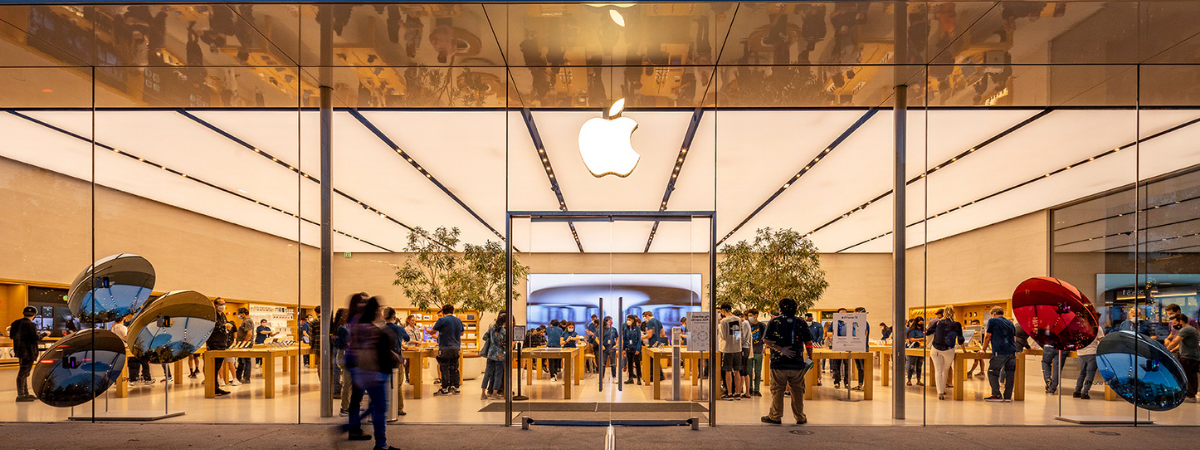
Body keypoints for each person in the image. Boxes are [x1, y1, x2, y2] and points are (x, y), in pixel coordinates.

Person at [341, 296, 400, 450]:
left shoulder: (356, 326)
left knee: (367, 402)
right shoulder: (374, 330)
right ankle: (381, 444)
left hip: (360, 370)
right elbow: (382, 351)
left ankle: (353, 426)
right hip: (374, 373)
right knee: (379, 407)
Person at [760, 298, 812, 425]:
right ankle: (800, 417)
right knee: (798, 391)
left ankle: (775, 416)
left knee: (777, 390)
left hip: (779, 363)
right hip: (797, 363)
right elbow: (809, 343)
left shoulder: (774, 321)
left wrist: (781, 349)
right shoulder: (801, 322)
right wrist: (809, 358)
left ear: (780, 309)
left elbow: (766, 340)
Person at [980, 307, 1017, 402]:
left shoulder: (993, 321)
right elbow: (1014, 338)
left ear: (994, 313)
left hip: (1000, 351)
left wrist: (983, 349)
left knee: (992, 372)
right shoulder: (1010, 323)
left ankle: (996, 395)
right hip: (1012, 351)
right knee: (1010, 373)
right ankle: (1008, 396)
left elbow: (988, 336)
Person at [926, 305, 963, 400]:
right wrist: (965, 350)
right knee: (945, 370)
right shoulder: (957, 324)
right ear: (953, 313)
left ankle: (940, 392)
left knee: (938, 370)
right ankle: (943, 389)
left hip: (936, 349)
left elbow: (927, 332)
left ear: (944, 313)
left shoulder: (938, 322)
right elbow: (960, 340)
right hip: (949, 350)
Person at [10, 306, 46, 402]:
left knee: (24, 372)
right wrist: (43, 334)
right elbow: (35, 338)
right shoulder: (31, 325)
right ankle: (21, 395)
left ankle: (25, 393)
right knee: (23, 373)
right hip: (29, 352)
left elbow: (11, 336)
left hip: (19, 351)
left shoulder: (15, 323)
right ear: (35, 314)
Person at [431, 304, 464, 395]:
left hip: (445, 347)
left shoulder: (441, 320)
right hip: (456, 347)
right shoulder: (458, 320)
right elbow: (462, 333)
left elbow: (433, 331)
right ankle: (456, 387)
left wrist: (427, 330)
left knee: (444, 367)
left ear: (443, 311)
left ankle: (444, 388)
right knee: (454, 367)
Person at [1166, 314, 1200, 403]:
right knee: (1191, 376)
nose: (1174, 325)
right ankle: (1192, 396)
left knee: (1180, 375)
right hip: (1194, 357)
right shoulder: (1193, 329)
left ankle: (1188, 394)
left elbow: (1175, 341)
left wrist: (1165, 350)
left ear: (1181, 321)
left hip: (1187, 357)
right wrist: (1172, 350)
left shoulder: (1185, 330)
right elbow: (1181, 344)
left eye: (1175, 323)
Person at [381, 307, 408, 415]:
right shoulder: (399, 328)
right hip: (396, 359)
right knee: (398, 385)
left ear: (383, 317)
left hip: (382, 360)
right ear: (394, 317)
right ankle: (399, 409)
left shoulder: (380, 329)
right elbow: (407, 338)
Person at [206, 298, 234, 396]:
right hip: (214, 343)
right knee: (213, 367)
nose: (222, 305)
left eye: (224, 304)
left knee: (218, 367)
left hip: (222, 343)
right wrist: (224, 326)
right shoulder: (212, 315)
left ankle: (216, 387)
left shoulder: (223, 315)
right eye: (220, 304)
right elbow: (212, 327)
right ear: (215, 305)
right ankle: (212, 388)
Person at [717, 303, 744, 400]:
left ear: (723, 310)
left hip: (727, 349)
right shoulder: (738, 319)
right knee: (737, 371)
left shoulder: (724, 321)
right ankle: (737, 393)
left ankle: (729, 393)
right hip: (737, 348)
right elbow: (740, 334)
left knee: (728, 371)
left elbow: (723, 336)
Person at [480, 312, 507, 400]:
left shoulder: (491, 328)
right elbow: (506, 342)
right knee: (498, 374)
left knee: (487, 373)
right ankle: (494, 393)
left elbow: (484, 337)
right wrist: (500, 343)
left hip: (490, 353)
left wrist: (492, 341)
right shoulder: (504, 330)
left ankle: (483, 393)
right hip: (500, 354)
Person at [1073, 326, 1104, 399]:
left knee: (1082, 372)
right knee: (1090, 373)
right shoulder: (1097, 327)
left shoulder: (1078, 327)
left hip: (1081, 353)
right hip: (1092, 353)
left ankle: (1077, 391)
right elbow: (1101, 341)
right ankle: (1085, 392)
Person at [827, 308, 850, 389]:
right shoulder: (834, 323)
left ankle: (847, 382)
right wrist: (836, 334)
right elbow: (828, 333)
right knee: (836, 365)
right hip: (837, 347)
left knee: (847, 365)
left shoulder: (849, 323)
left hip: (847, 347)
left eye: (844, 313)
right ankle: (837, 381)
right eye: (841, 314)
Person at [748, 309, 767, 396]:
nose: (750, 317)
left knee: (758, 372)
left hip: (759, 351)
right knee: (749, 371)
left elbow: (766, 338)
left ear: (756, 315)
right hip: (750, 352)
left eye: (751, 315)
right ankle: (750, 388)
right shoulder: (748, 325)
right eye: (749, 316)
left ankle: (757, 389)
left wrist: (765, 347)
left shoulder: (762, 325)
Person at [235, 307, 254, 384]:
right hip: (242, 344)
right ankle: (238, 377)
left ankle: (246, 378)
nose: (238, 315)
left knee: (246, 361)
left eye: (239, 314)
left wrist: (244, 343)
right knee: (241, 361)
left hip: (245, 345)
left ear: (243, 313)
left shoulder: (247, 321)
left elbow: (249, 333)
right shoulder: (244, 321)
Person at [905, 317, 926, 386]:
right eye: (920, 322)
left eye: (922, 322)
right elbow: (912, 339)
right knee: (911, 365)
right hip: (913, 349)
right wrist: (921, 339)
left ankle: (918, 380)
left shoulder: (923, 330)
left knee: (919, 365)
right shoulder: (913, 330)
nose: (921, 323)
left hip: (921, 349)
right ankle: (909, 380)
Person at [623, 315, 643, 384]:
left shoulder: (637, 328)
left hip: (635, 349)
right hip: (629, 348)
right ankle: (630, 378)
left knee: (637, 363)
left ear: (633, 320)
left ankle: (638, 379)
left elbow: (639, 340)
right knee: (630, 364)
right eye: (627, 319)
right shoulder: (626, 329)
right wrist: (623, 349)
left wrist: (638, 349)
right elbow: (625, 339)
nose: (628, 321)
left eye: (629, 319)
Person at [739, 310, 753, 398]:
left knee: (742, 370)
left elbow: (742, 337)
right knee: (745, 370)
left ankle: (742, 391)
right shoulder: (747, 323)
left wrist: (737, 343)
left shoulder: (744, 324)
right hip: (746, 347)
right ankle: (746, 391)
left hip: (743, 348)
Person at [600, 317, 618, 381]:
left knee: (613, 363)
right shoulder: (602, 329)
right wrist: (601, 345)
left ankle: (614, 377)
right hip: (604, 348)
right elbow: (597, 338)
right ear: (606, 321)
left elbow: (617, 338)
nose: (610, 321)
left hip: (612, 348)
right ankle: (601, 378)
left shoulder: (614, 329)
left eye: (611, 320)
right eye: (609, 320)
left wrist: (616, 345)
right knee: (603, 363)